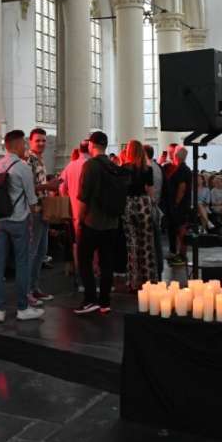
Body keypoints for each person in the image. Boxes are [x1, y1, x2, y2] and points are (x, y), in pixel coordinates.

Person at [0, 130, 42, 323]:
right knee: (22, 264)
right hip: (19, 220)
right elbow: (32, 198)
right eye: (24, 144)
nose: (25, 147)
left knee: (0, 265)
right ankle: (22, 308)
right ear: (18, 145)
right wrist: (36, 211)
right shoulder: (22, 167)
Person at [74, 131, 127, 315]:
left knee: (84, 261)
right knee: (107, 263)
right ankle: (105, 301)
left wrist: (79, 220)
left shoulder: (90, 166)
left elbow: (84, 197)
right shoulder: (114, 165)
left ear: (91, 145)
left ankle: (90, 299)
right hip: (112, 222)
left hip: (92, 221)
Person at [26, 128, 58, 305]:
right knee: (32, 252)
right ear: (30, 141)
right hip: (34, 212)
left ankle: (34, 287)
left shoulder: (39, 159)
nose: (41, 143)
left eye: (44, 140)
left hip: (43, 209)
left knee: (41, 252)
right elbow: (27, 187)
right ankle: (27, 292)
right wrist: (48, 186)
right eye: (38, 140)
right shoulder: (29, 159)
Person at [120, 140, 157, 291]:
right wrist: (153, 205)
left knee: (132, 244)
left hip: (128, 204)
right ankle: (148, 280)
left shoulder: (123, 169)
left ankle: (133, 282)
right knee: (146, 243)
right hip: (143, 203)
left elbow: (121, 189)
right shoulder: (147, 169)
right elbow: (150, 191)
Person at [162, 147, 192, 265]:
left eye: (174, 154)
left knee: (181, 230)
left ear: (177, 156)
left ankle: (182, 255)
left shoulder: (182, 170)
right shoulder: (182, 169)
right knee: (177, 229)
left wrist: (176, 203)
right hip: (180, 205)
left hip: (180, 206)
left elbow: (182, 188)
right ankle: (177, 253)